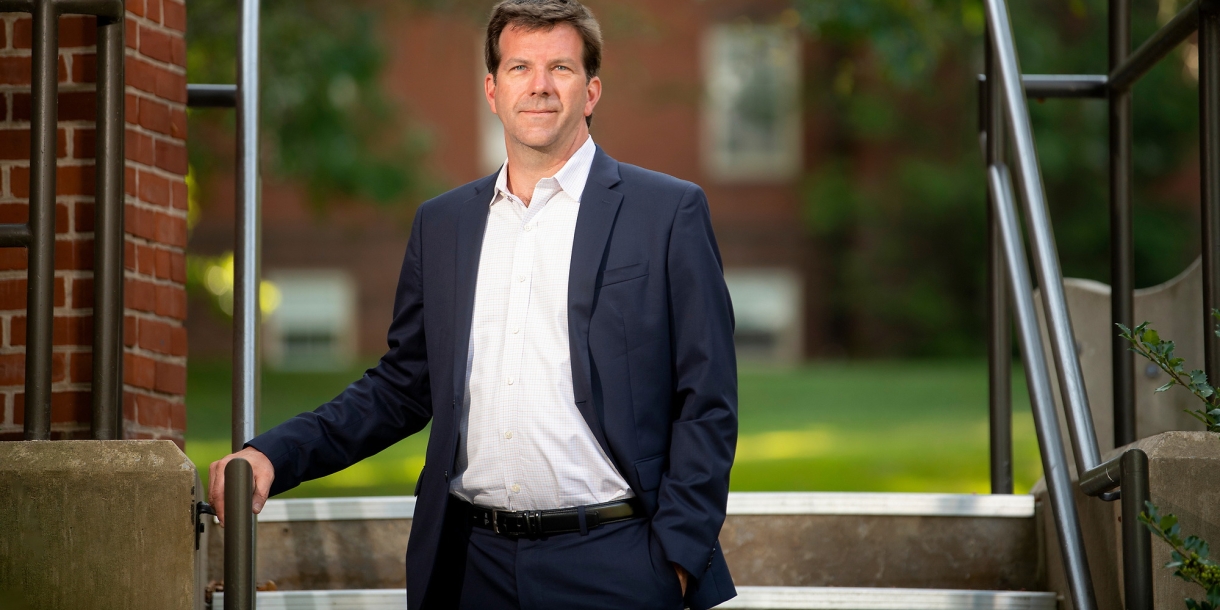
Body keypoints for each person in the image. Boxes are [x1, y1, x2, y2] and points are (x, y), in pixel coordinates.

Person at [207, 1, 738, 608]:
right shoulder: (445, 224)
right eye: (519, 68)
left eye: (560, 68)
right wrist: (276, 452)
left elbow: (708, 400)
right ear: (492, 90)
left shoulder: (666, 213)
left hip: (615, 562)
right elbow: (402, 387)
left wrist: (673, 563)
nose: (538, 86)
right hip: (469, 566)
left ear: (591, 91)